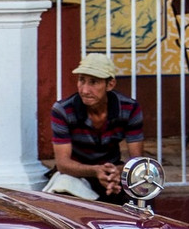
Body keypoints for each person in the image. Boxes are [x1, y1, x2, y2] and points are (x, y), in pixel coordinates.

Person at [47, 53, 143, 203]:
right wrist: (95, 171)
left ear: (110, 85)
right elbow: (63, 164)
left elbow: (137, 160)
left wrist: (116, 172)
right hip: (77, 173)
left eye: (93, 82)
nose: (84, 90)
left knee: (143, 182)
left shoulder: (129, 108)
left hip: (112, 172)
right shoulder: (63, 110)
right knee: (62, 189)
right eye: (81, 80)